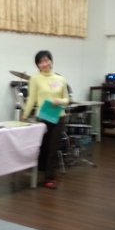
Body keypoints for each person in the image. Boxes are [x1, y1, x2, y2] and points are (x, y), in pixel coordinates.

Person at [22, 50, 70, 189]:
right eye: (41, 62)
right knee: (42, 147)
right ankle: (40, 171)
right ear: (38, 65)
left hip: (58, 117)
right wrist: (25, 115)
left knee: (53, 148)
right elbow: (31, 99)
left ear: (51, 61)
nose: (44, 64)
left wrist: (59, 101)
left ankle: (50, 178)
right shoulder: (35, 79)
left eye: (46, 60)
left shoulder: (61, 79)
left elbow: (67, 100)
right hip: (42, 117)